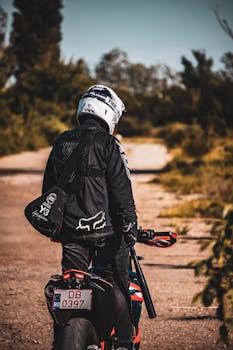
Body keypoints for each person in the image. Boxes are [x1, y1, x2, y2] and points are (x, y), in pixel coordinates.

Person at [42, 85, 138, 350]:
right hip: (108, 235)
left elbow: (50, 190)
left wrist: (57, 228)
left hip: (72, 234)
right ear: (110, 114)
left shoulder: (63, 141)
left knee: (70, 286)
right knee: (117, 284)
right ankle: (123, 342)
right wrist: (130, 227)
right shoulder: (109, 144)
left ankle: (60, 337)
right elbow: (122, 193)